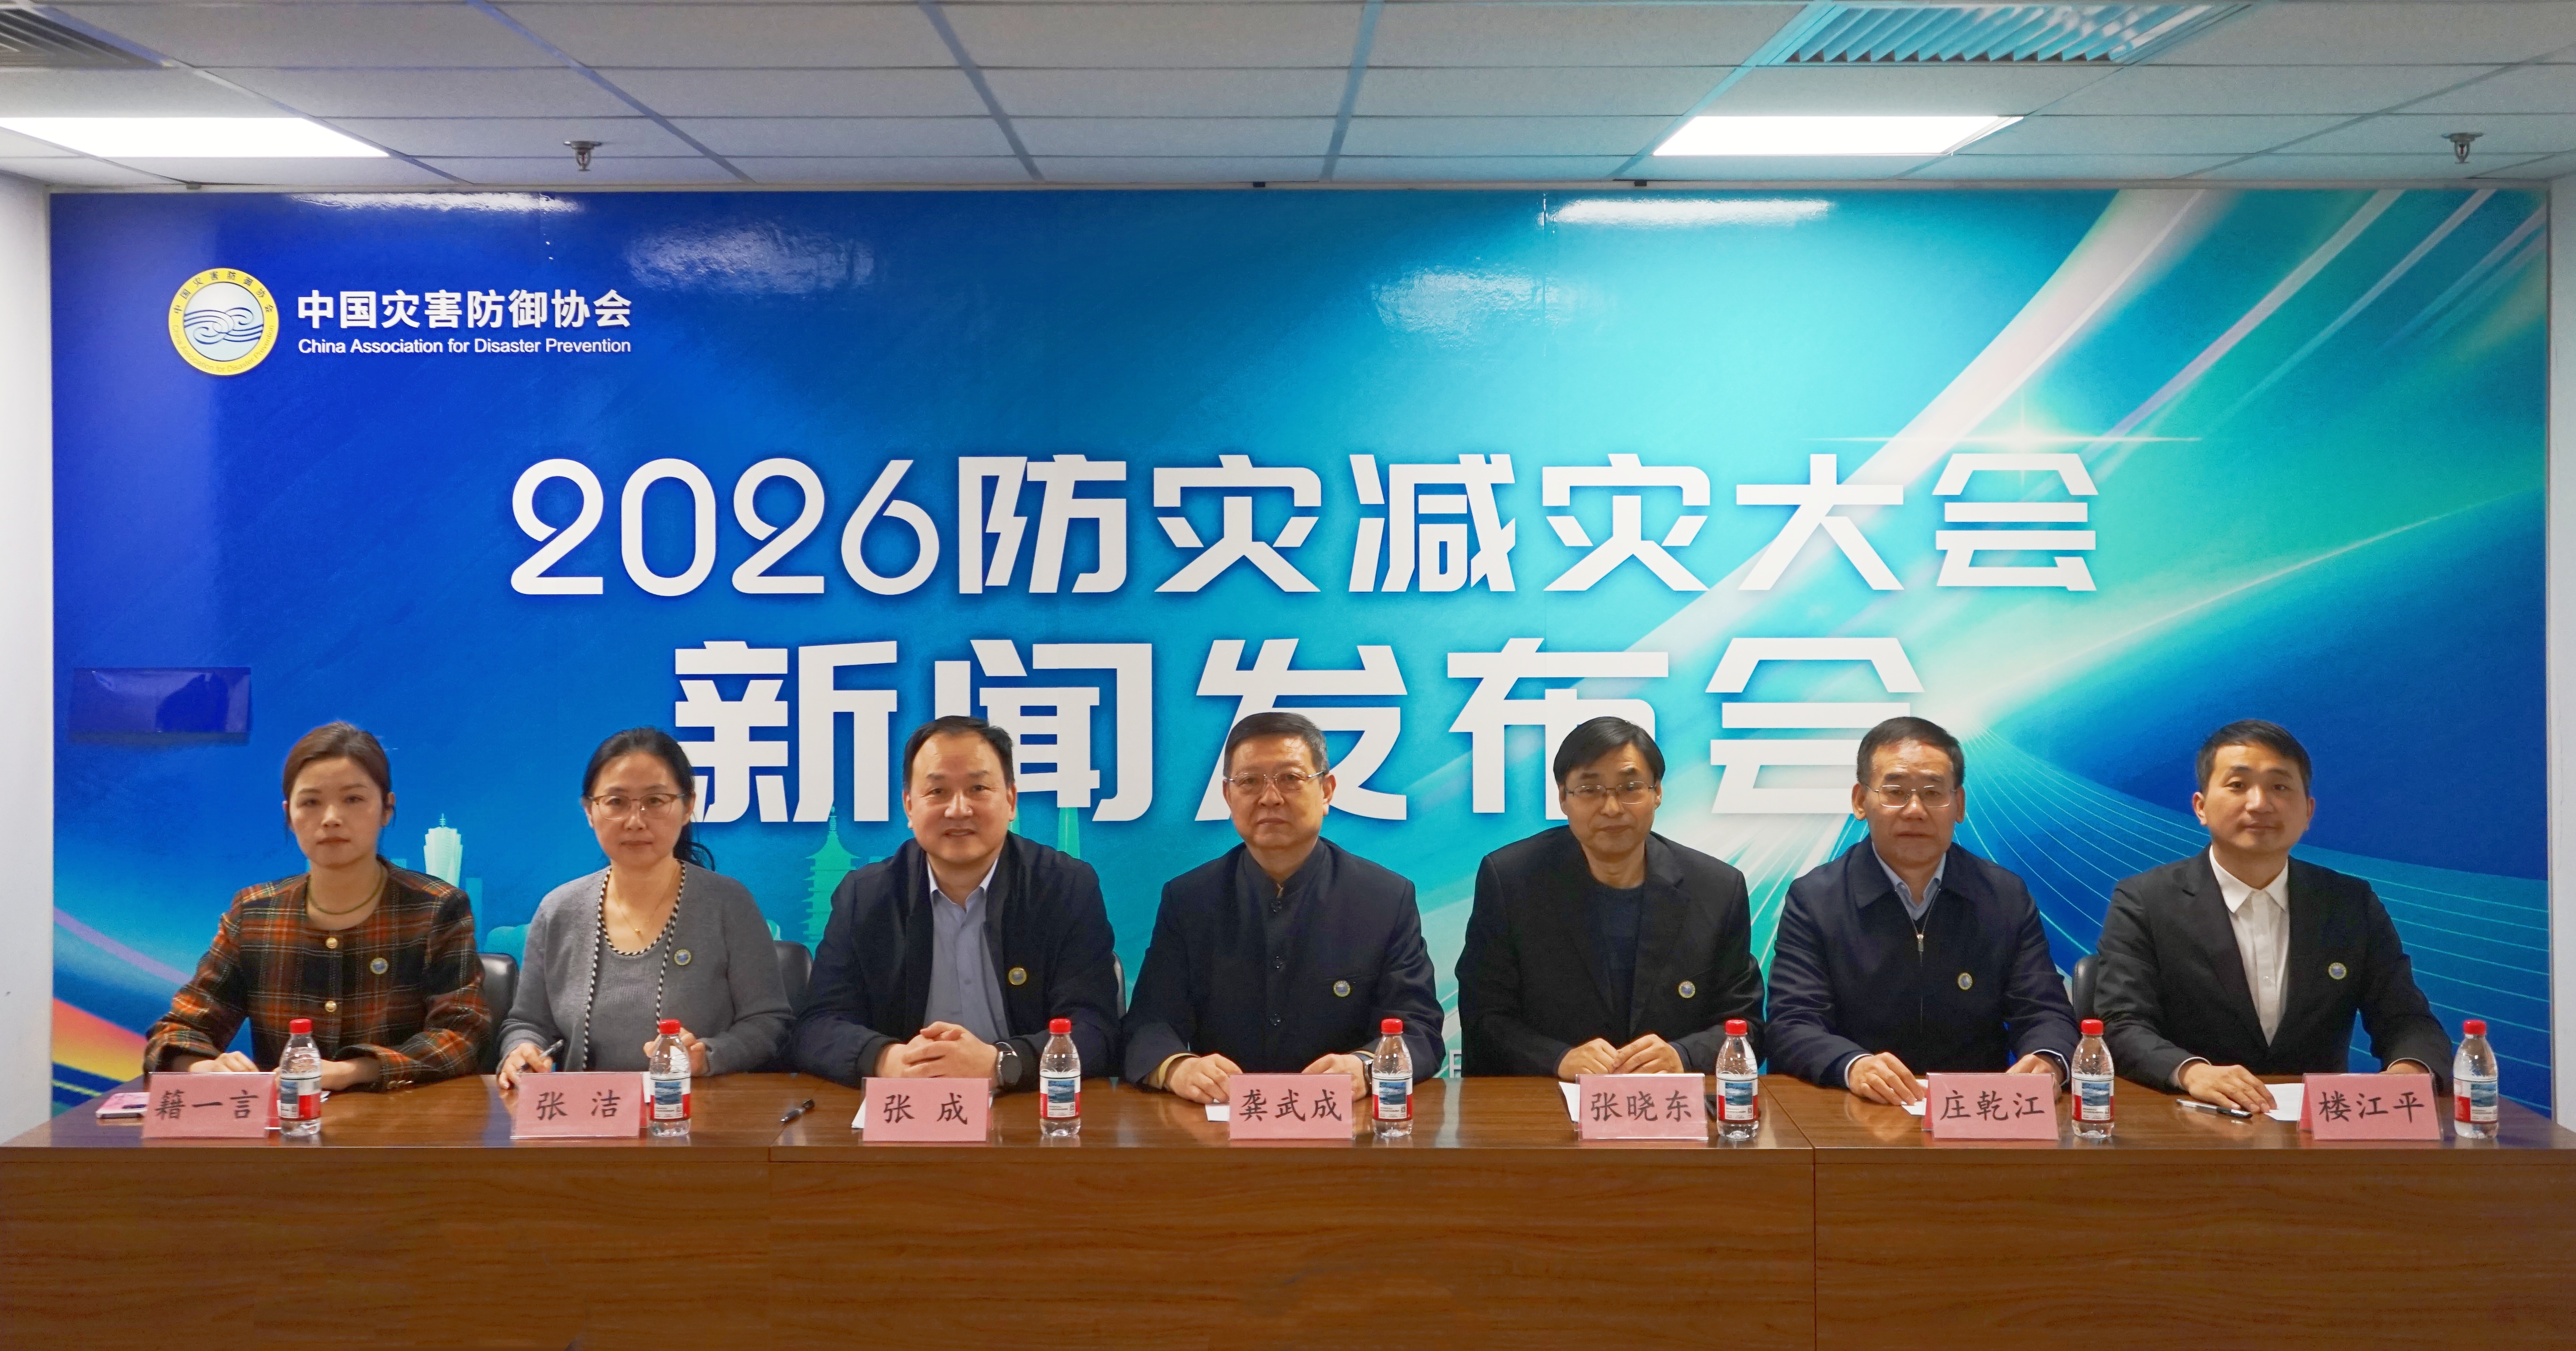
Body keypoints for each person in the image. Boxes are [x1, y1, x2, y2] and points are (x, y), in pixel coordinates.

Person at [2093, 720, 2451, 1113]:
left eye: (2279, 787)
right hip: (2187, 1122)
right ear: (2200, 807)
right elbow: (2122, 1024)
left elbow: (2406, 1018)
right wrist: (2192, 1072)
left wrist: (2408, 1072)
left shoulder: (2349, 903)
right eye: (2237, 785)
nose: (2259, 804)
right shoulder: (2145, 900)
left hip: (2318, 1127)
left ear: (2308, 812)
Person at [143, 722, 489, 1090]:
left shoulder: (436, 908)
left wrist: (353, 1071)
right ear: (289, 815)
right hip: (286, 1121)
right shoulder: (255, 914)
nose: (331, 818)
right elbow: (177, 1030)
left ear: (387, 808)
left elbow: (460, 1036)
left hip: (399, 1119)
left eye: (353, 799)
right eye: (311, 802)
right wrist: (202, 1068)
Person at [1124, 710, 1442, 1105]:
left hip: (1348, 1122)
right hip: (1222, 1123)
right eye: (1249, 782)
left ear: (1326, 791)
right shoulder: (1189, 900)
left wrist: (1366, 1067)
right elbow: (1149, 1023)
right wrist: (1178, 1068)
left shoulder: (1384, 899)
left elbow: (1418, 1027)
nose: (1270, 797)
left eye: (1290, 779)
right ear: (1227, 796)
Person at [791, 716, 1120, 1091]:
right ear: (909, 807)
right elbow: (818, 1026)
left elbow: (1096, 1027)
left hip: (1026, 1101)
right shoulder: (865, 897)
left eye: (978, 788)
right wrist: (888, 1060)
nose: (959, 809)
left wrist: (1001, 1063)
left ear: (1010, 801)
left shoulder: (1064, 887)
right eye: (938, 791)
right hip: (909, 1104)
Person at [1766, 716, 2076, 1104]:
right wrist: (1852, 1066)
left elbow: (2045, 1010)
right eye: (1895, 792)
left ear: (1958, 805)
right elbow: (1792, 1023)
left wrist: (2048, 1060)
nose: (1914, 810)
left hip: (1975, 1111)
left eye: (1932, 793)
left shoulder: (2003, 896)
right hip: (1855, 1109)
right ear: (1860, 801)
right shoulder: (1816, 898)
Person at [1457, 716, 1765, 1077]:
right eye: (1590, 790)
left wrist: (1682, 1056)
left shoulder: (1716, 888)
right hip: (1547, 1099)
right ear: (1563, 797)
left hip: (1670, 1101)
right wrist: (1557, 1059)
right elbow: (1483, 1016)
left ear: (1657, 792)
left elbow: (1745, 1026)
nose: (1612, 808)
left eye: (1630, 787)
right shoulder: (1511, 881)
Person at [495, 728, 791, 1085]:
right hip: (588, 1111)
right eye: (616, 802)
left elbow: (768, 1022)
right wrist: (522, 1049)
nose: (635, 821)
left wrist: (708, 1057)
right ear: (590, 811)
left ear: (688, 807)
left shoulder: (728, 904)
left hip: (697, 1109)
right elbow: (528, 1022)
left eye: (655, 801)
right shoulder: (558, 910)